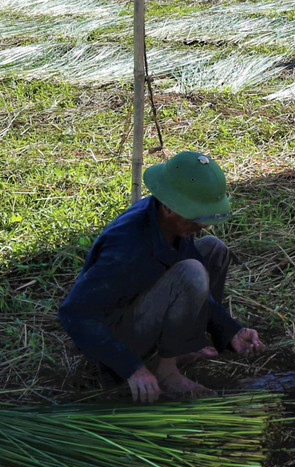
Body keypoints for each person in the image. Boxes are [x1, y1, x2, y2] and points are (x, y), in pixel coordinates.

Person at [59, 150, 262, 403]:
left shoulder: (169, 225)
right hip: (118, 337)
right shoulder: (126, 247)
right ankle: (164, 371)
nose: (203, 225)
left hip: (143, 309)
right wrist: (132, 368)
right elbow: (75, 314)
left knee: (213, 249)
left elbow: (198, 288)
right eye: (197, 217)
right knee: (192, 272)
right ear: (169, 207)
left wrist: (230, 329)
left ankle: (181, 348)